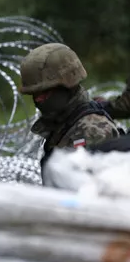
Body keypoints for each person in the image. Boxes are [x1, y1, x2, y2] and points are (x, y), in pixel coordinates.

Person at [18, 43, 119, 181]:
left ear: (68, 85)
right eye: (34, 94)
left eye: (45, 92)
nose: (38, 99)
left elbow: (95, 192)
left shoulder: (92, 130)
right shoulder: (63, 123)